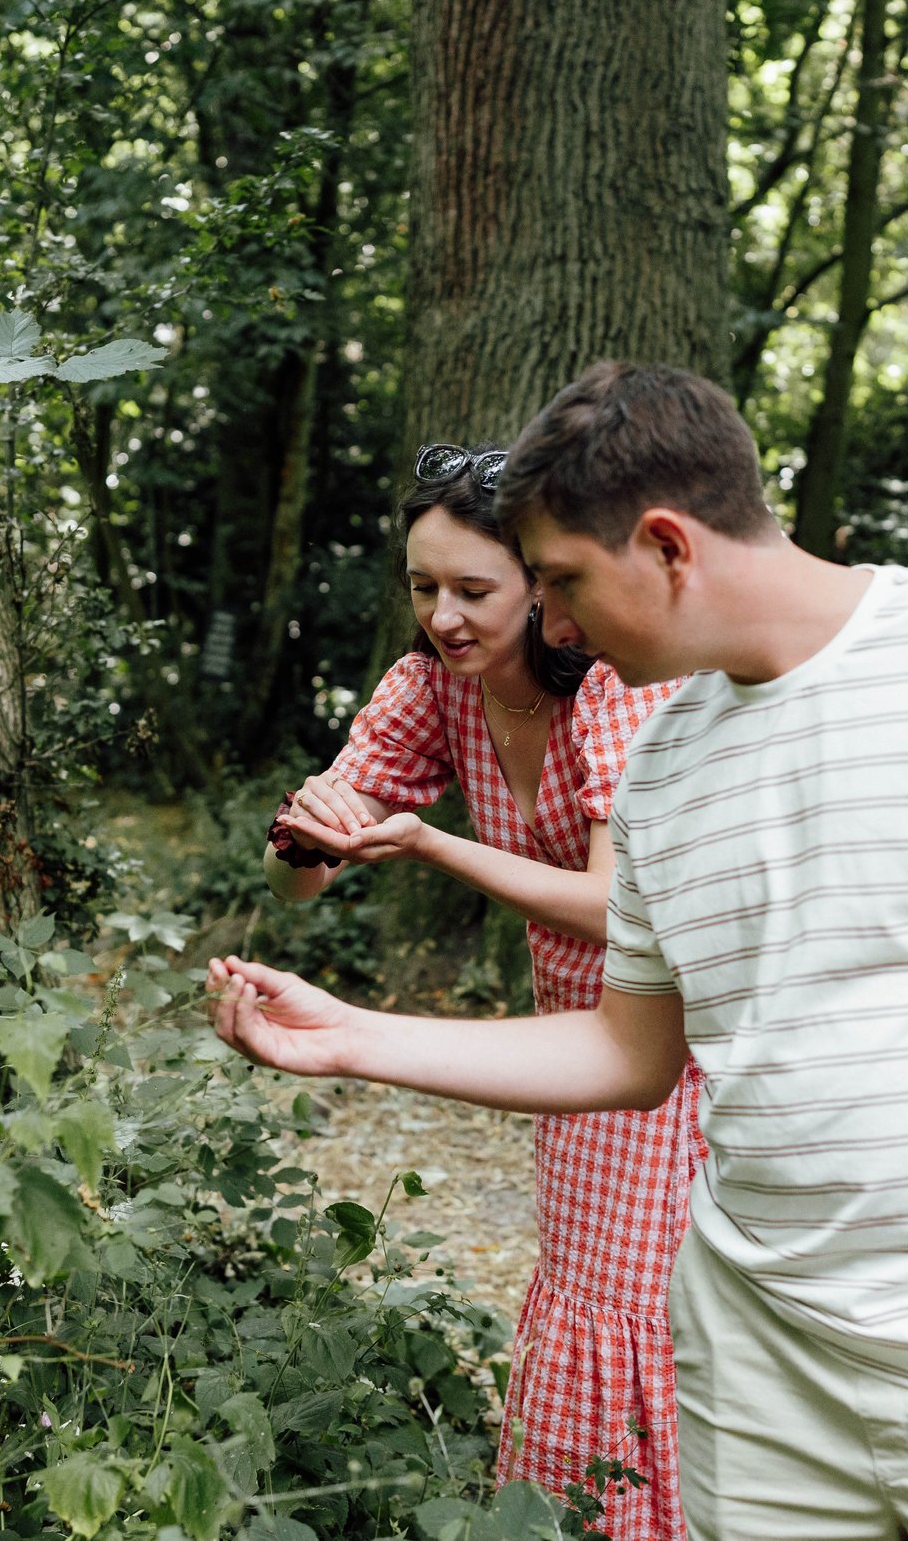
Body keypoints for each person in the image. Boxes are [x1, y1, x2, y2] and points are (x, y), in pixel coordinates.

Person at [215, 364, 908, 1540]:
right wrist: (348, 1037)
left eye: (559, 582)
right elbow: (629, 1051)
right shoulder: (665, 764)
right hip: (755, 1380)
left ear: (665, 545)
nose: (549, 625)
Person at [260, 441, 700, 1541]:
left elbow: (616, 906)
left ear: (541, 588)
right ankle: (567, 1511)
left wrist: (431, 847)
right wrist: (310, 831)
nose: (444, 614)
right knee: (587, 1277)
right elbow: (297, 887)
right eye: (422, 587)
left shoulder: (609, 687)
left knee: (629, 1296)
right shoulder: (429, 689)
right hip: (571, 1031)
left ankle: (636, 1516)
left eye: (473, 588)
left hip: (682, 1021)